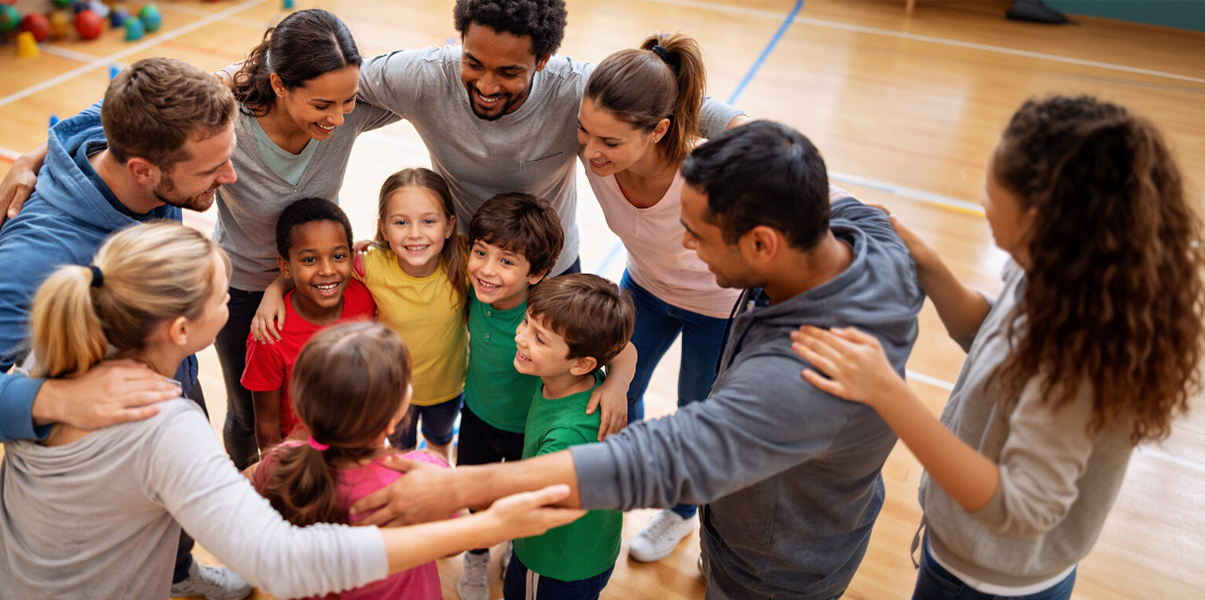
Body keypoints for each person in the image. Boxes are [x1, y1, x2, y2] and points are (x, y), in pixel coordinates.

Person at [348, 121, 927, 600]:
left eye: (696, 235)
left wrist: (455, 489)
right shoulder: (868, 236)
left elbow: (655, 458)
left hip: (771, 567)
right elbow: (882, 220)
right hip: (760, 529)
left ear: (762, 244)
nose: (685, 248)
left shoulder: (796, 376)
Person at [0, 222, 587, 599]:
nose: (235, 301)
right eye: (222, 290)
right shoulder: (161, 422)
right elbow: (283, 563)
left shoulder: (57, 359)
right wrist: (489, 526)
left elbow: (228, 492)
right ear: (183, 329)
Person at [790, 95, 1205, 600]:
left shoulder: (1077, 355)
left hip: (988, 584)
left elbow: (1021, 506)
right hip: (971, 560)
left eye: (991, 193)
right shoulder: (1059, 273)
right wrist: (928, 263)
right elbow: (997, 337)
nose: (982, 202)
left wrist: (889, 394)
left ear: (1037, 219)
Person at [0, 9, 401, 469]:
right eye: (322, 105)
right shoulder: (226, 113)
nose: (339, 118)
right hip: (238, 293)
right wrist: (36, 155)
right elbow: (130, 110)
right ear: (278, 85)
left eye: (347, 102)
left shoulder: (344, 107)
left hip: (300, 287)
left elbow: (433, 82)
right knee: (247, 414)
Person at [0, 57, 249, 599]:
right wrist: (58, 400)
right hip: (100, 420)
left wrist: (36, 151)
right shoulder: (39, 253)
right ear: (142, 170)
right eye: (211, 170)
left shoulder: (119, 129)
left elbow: (97, 111)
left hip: (166, 366)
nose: (228, 177)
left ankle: (179, 572)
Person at [355, 0, 752, 280]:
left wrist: (764, 142)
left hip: (551, 267)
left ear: (543, 61)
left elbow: (681, 102)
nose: (486, 85)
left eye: (508, 72)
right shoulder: (425, 75)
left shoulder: (576, 87)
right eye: (473, 63)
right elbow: (338, 82)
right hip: (471, 262)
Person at [574, 31, 749, 563]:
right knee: (615, 391)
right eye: (585, 133)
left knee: (699, 412)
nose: (590, 151)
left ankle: (684, 511)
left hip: (717, 309)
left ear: (660, 131)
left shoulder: (708, 175)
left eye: (609, 142)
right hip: (644, 290)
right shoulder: (596, 155)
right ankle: (629, 473)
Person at [451, 192, 639, 599]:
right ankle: (477, 555)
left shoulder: (551, 315)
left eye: (506, 261)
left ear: (536, 274)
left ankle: (510, 543)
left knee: (514, 492)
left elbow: (621, 347)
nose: (486, 269)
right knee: (479, 493)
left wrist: (617, 384)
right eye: (480, 252)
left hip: (529, 430)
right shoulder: (474, 287)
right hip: (479, 416)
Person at [253, 168, 470, 461]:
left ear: (448, 225)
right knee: (400, 455)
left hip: (449, 388)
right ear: (383, 227)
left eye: (429, 221)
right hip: (391, 394)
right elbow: (320, 272)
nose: (415, 233)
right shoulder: (370, 267)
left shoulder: (465, 266)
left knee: (440, 441)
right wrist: (274, 291)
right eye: (401, 222)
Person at [248, 322, 455, 600]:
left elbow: (241, 485)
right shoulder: (422, 474)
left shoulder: (281, 460)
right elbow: (454, 545)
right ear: (391, 418)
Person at [504, 274, 635, 599]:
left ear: (581, 363)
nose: (520, 338)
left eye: (540, 339)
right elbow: (626, 350)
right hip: (589, 552)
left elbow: (531, 499)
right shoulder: (581, 374)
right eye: (526, 323)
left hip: (554, 563)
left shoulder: (568, 434)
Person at [242, 199, 376, 451]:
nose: (327, 270)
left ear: (352, 255)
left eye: (338, 256)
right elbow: (267, 421)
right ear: (285, 266)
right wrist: (277, 475)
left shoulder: (364, 297)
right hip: (303, 460)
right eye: (309, 260)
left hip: (356, 444)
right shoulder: (269, 336)